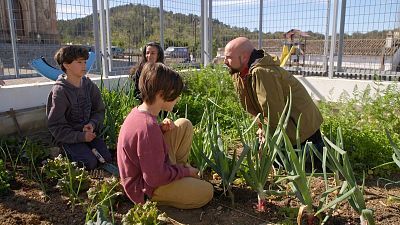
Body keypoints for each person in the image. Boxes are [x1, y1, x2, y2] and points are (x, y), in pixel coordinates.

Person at [117, 62, 213, 209]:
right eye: (176, 94)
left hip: (147, 173)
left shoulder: (140, 113)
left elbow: (145, 145)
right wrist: (185, 172)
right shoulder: (147, 128)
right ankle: (161, 197)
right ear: (161, 93)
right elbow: (154, 178)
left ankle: (177, 173)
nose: (178, 98)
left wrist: (160, 130)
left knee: (183, 124)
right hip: (146, 188)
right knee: (207, 191)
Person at [224, 37, 324, 150]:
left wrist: (267, 133)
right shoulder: (240, 73)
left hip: (300, 128)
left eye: (228, 57)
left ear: (244, 57)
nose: (225, 61)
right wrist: (262, 127)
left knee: (308, 165)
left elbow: (272, 109)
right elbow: (254, 105)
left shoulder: (263, 72)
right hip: (283, 125)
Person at [46, 45, 112, 170]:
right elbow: (56, 126)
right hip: (68, 138)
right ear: (66, 65)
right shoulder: (60, 91)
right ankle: (61, 152)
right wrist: (80, 137)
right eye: (79, 62)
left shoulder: (89, 85)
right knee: (89, 163)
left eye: (85, 62)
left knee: (106, 158)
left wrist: (92, 124)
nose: (84, 66)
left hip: (88, 134)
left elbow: (99, 110)